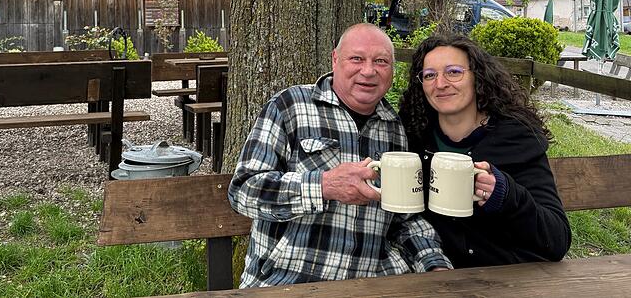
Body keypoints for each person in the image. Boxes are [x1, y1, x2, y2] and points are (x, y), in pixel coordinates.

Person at [228, 23, 452, 288]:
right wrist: (324, 186)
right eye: (356, 58)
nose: (368, 71)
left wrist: (434, 264)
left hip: (374, 284)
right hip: (290, 282)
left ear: (392, 69)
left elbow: (405, 218)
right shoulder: (290, 106)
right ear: (335, 59)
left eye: (381, 61)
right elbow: (243, 192)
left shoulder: (394, 128)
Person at [398, 33, 571, 268]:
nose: (440, 84)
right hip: (439, 276)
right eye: (430, 75)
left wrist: (505, 194)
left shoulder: (514, 139)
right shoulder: (412, 140)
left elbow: (556, 239)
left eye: (454, 72)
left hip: (510, 276)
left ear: (476, 77)